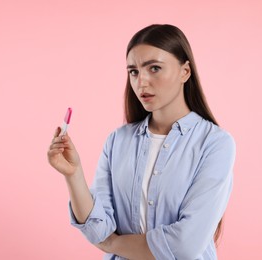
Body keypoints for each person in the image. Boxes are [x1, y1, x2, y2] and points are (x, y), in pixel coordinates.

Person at [47, 24, 235, 260]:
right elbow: (98, 230)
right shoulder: (118, 141)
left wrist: (113, 243)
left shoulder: (215, 144)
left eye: (154, 68)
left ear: (185, 72)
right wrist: (73, 174)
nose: (141, 82)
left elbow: (185, 245)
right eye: (133, 71)